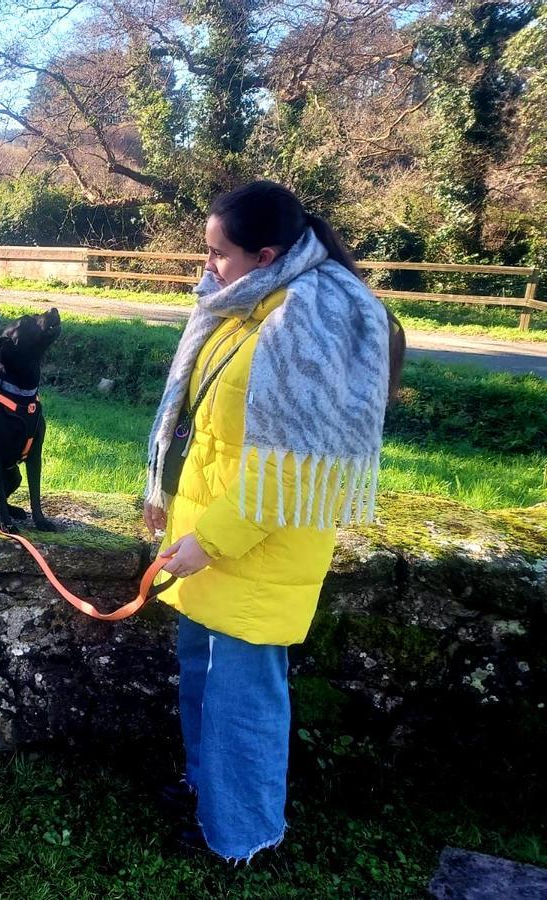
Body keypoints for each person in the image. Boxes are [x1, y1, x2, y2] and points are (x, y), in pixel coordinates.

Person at [142, 180, 404, 862]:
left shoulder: (310, 321)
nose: (206, 268)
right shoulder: (244, 305)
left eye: (216, 254)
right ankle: (207, 796)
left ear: (264, 255)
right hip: (205, 538)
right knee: (203, 682)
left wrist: (214, 539)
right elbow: (206, 426)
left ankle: (243, 835)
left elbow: (293, 464)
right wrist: (164, 494)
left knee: (245, 703)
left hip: (256, 548)